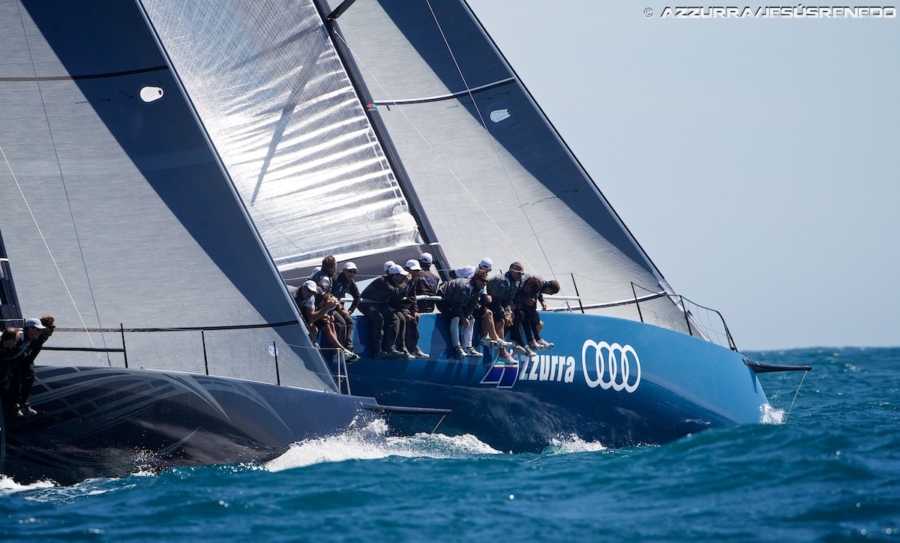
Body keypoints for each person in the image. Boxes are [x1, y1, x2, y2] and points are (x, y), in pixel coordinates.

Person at [297, 280, 359, 363]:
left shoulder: (315, 296)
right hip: (306, 315)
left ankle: (338, 352)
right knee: (318, 328)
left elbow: (325, 311)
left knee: (330, 324)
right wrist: (324, 311)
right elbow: (312, 316)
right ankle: (341, 350)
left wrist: (328, 315)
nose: (310, 293)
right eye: (309, 291)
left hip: (313, 314)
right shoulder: (314, 297)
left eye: (312, 292)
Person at [437, 269, 488, 358]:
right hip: (444, 301)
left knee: (471, 319)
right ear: (476, 279)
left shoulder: (479, 289)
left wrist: (466, 316)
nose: (485, 283)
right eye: (483, 281)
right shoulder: (465, 287)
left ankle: (468, 347)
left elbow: (472, 304)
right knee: (456, 317)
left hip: (457, 302)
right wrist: (463, 318)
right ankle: (457, 347)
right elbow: (456, 304)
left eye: (486, 281)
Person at [359, 264, 407, 358]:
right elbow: (394, 292)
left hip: (379, 304)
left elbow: (398, 296)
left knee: (394, 319)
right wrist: (405, 283)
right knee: (378, 319)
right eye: (402, 276)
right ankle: (376, 351)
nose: (404, 277)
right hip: (366, 303)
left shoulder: (395, 283)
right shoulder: (382, 281)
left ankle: (389, 348)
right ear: (394, 276)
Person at [486, 263, 525, 363]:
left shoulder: (517, 281)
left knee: (514, 315)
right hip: (488, 301)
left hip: (499, 303)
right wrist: (504, 315)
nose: (520, 276)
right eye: (518, 273)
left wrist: (508, 314)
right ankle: (502, 353)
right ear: (511, 271)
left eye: (522, 273)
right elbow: (495, 301)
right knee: (501, 321)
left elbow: (508, 301)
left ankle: (512, 340)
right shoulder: (503, 281)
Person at [399, 260, 428, 359]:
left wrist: (415, 311)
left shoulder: (414, 279)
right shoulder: (400, 278)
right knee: (405, 319)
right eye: (414, 270)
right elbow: (395, 298)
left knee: (414, 319)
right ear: (406, 269)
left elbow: (413, 296)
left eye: (417, 270)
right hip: (397, 307)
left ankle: (413, 348)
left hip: (406, 307)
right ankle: (403, 348)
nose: (416, 272)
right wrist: (405, 312)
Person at [331, 262, 361, 352]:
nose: (352, 274)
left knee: (350, 321)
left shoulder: (350, 282)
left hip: (337, 307)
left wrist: (350, 311)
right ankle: (340, 349)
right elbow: (328, 295)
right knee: (341, 323)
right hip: (328, 306)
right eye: (350, 271)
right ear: (343, 271)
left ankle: (349, 346)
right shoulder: (335, 279)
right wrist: (339, 307)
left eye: (354, 272)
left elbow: (357, 297)